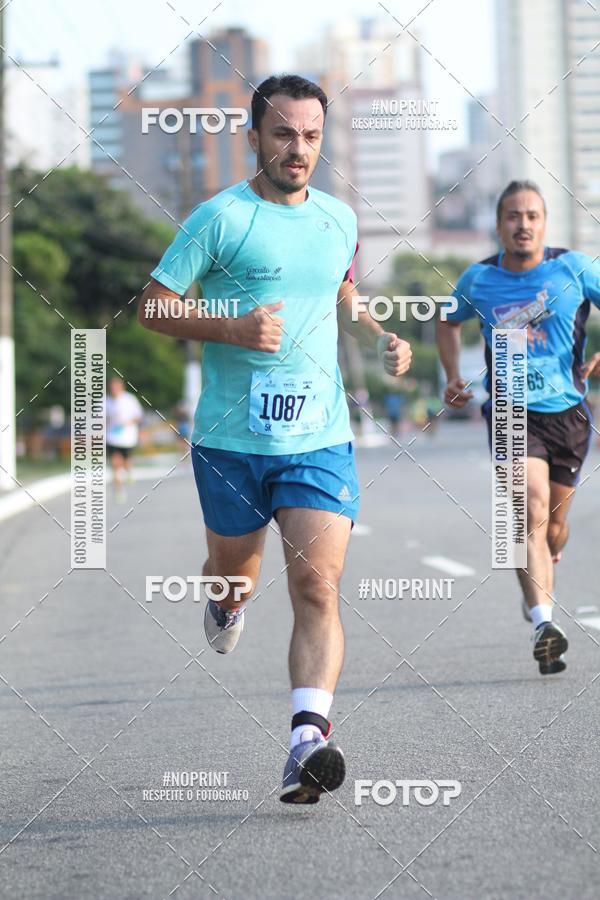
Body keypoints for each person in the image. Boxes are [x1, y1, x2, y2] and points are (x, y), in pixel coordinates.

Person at [138, 75, 412, 803]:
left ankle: (306, 741)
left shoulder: (339, 219)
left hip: (318, 437)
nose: (300, 149)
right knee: (237, 578)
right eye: (285, 133)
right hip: (231, 441)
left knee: (317, 584)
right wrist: (230, 328)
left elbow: (340, 287)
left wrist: (380, 332)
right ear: (254, 136)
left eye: (313, 135)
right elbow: (153, 308)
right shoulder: (218, 219)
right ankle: (226, 605)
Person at [437, 179, 600, 675]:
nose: (522, 224)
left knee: (552, 526)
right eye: (513, 216)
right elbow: (447, 321)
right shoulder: (477, 280)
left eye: (531, 216)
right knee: (526, 511)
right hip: (509, 408)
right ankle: (543, 622)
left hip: (567, 412)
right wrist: (451, 376)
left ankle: (539, 580)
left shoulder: (573, 268)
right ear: (499, 224)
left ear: (543, 223)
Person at [106, 376, 143, 502]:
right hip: (112, 437)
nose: (114, 389)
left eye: (116, 386)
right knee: (116, 463)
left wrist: (127, 422)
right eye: (112, 387)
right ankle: (119, 490)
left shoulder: (130, 399)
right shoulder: (105, 402)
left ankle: (129, 471)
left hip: (127, 437)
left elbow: (138, 416)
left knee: (126, 462)